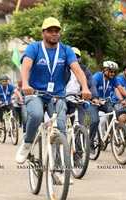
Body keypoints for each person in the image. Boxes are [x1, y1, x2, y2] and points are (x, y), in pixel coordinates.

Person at [16, 17, 92, 165]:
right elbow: (25, 67)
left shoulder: (66, 50)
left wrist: (85, 87)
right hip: (35, 92)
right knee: (37, 115)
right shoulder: (34, 48)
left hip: (57, 95)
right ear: (43, 33)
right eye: (50, 31)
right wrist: (25, 84)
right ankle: (27, 143)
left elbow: (77, 70)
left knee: (61, 128)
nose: (54, 34)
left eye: (57, 31)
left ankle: (58, 167)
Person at [65, 47, 101, 155]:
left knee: (79, 127)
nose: (74, 59)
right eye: (72, 57)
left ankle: (78, 156)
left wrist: (94, 97)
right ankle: (58, 157)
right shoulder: (62, 68)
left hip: (77, 101)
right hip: (62, 100)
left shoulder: (84, 70)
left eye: (77, 57)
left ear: (80, 59)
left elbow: (91, 84)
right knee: (59, 127)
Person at [91, 60, 126, 153]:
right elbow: (92, 88)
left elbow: (120, 88)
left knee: (114, 111)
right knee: (95, 120)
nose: (113, 73)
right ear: (105, 70)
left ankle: (111, 133)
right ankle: (90, 144)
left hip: (106, 102)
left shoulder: (114, 79)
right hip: (95, 101)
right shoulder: (97, 77)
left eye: (114, 71)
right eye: (111, 71)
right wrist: (95, 98)